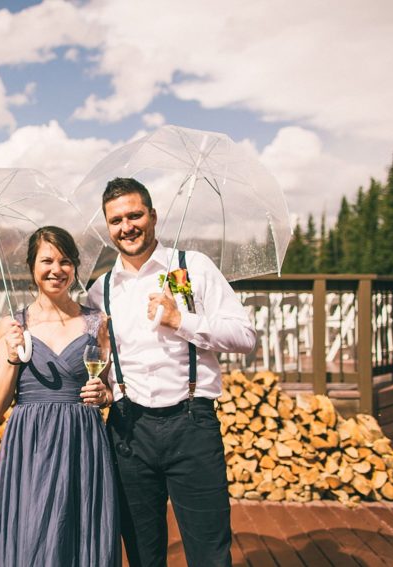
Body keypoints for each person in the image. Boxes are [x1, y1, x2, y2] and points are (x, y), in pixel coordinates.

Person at [86, 178, 257, 567]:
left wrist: (182, 320)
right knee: (143, 555)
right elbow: (96, 358)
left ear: (153, 216)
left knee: (209, 554)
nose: (126, 227)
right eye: (116, 220)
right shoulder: (101, 290)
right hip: (129, 429)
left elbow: (246, 337)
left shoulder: (193, 267)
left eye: (134, 215)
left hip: (192, 423)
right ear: (108, 227)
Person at [0, 226, 120, 567]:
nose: (56, 269)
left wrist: (103, 394)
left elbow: (105, 388)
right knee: (33, 533)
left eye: (65, 261)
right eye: (46, 260)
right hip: (31, 443)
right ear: (33, 266)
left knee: (79, 529)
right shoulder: (14, 325)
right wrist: (13, 354)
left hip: (82, 442)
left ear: (74, 267)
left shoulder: (96, 322)